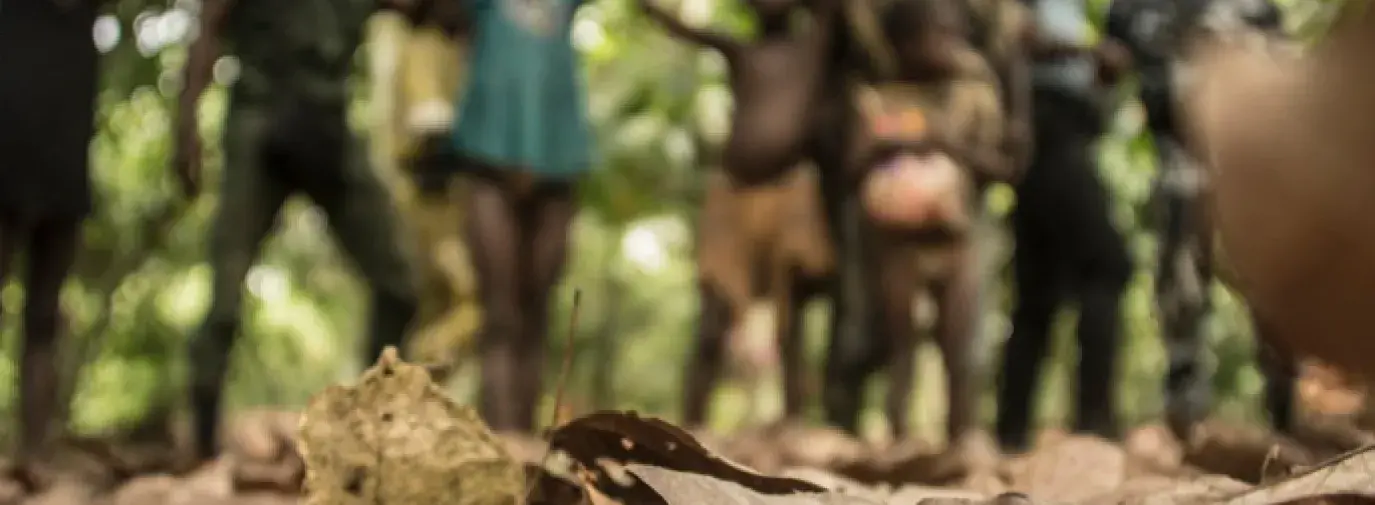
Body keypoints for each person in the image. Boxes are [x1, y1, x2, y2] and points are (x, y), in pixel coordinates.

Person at [173, 0, 422, 462]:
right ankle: (200, 444)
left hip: (328, 126)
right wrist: (186, 124)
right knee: (224, 301)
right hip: (259, 122)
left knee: (399, 287)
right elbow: (211, 23)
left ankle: (375, 438)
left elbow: (428, 11)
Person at [1102, 0, 1286, 437]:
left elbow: (1289, 74)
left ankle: (1287, 408)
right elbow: (1109, 68)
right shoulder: (1132, 9)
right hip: (1180, 159)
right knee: (1181, 285)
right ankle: (1184, 417)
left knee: (1273, 282)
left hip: (1251, 164)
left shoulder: (1255, 6)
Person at [994, 0, 1133, 452]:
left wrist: (1101, 73)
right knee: (1107, 263)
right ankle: (1094, 421)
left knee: (1037, 287)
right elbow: (1015, 37)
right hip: (1044, 129)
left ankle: (1012, 431)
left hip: (1066, 128)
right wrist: (1092, 53)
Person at [453, 0, 595, 432]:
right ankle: (501, 436)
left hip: (559, 163)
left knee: (536, 312)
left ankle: (526, 434)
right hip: (489, 161)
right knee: (500, 314)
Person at [0, 0, 101, 482]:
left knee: (44, 317)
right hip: (8, 166)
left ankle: (35, 453)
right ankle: (30, 455)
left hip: (62, 175)